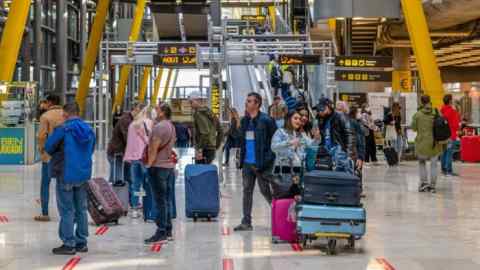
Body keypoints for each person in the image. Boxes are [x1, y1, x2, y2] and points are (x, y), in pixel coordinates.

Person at [44, 102, 95, 255]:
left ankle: (68, 243)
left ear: (65, 114)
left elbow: (48, 147)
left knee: (67, 210)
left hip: (66, 174)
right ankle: (81, 242)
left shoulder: (63, 129)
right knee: (81, 209)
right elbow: (91, 149)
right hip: (83, 174)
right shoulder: (89, 130)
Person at [234, 92, 277, 232]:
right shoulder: (245, 120)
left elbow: (275, 142)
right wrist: (237, 124)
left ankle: (279, 216)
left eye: (249, 101)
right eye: (246, 101)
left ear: (257, 104)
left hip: (261, 163)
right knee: (247, 191)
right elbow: (239, 140)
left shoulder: (266, 120)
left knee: (266, 191)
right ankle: (246, 222)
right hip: (247, 162)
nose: (246, 103)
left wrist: (267, 160)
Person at [145, 102, 177, 243]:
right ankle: (168, 230)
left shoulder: (159, 127)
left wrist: (149, 165)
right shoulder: (171, 126)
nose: (155, 111)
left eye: (157, 109)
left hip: (158, 167)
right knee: (167, 200)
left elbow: (153, 148)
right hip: (169, 167)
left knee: (159, 202)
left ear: (162, 112)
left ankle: (161, 232)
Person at [271, 111, 319, 199]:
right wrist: (289, 143)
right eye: (295, 118)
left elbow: (313, 146)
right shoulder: (280, 132)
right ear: (289, 119)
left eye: (299, 119)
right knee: (283, 200)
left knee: (294, 203)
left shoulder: (301, 135)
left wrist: (316, 138)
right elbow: (274, 147)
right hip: (283, 173)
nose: (298, 121)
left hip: (298, 174)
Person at [35, 94, 64, 222]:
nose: (43, 104)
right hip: (64, 155)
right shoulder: (65, 114)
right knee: (62, 183)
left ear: (50, 103)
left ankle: (45, 213)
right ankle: (64, 212)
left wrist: (42, 151)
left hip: (49, 155)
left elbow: (41, 136)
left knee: (45, 184)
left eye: (45, 102)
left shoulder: (45, 116)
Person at [123, 107, 153, 218]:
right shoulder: (148, 123)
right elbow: (149, 141)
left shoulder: (132, 125)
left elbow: (129, 143)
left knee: (135, 184)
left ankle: (135, 207)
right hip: (144, 158)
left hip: (133, 158)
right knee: (146, 184)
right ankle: (146, 207)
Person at [107, 102, 145, 187]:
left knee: (127, 179)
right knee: (117, 180)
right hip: (116, 153)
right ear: (136, 110)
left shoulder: (133, 121)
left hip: (124, 154)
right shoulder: (126, 120)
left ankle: (127, 198)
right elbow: (129, 139)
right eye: (142, 114)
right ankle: (115, 198)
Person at [411, 95, 443, 193]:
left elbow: (414, 128)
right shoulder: (436, 112)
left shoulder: (417, 114)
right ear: (429, 101)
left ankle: (424, 183)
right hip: (435, 143)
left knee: (422, 163)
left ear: (421, 102)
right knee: (434, 165)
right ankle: (432, 186)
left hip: (422, 143)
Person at [315, 97, 356, 175]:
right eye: (318, 109)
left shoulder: (340, 116)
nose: (319, 111)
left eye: (322, 108)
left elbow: (350, 134)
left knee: (345, 178)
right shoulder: (321, 120)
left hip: (340, 154)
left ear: (329, 106)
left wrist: (349, 154)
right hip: (328, 155)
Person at [189, 91, 223, 164]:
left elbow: (205, 133)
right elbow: (220, 130)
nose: (190, 105)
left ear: (197, 101)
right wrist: (216, 145)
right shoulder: (210, 112)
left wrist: (200, 149)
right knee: (207, 173)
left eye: (191, 102)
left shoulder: (198, 114)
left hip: (204, 149)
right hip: (211, 149)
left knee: (200, 173)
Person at [440, 94, 461, 177]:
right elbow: (456, 124)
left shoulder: (441, 110)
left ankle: (443, 170)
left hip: (442, 136)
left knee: (443, 152)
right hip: (451, 135)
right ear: (449, 101)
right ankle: (449, 170)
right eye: (452, 99)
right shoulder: (452, 111)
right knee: (449, 153)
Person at [348, 106, 366, 172]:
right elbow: (360, 141)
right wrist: (361, 157)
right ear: (355, 113)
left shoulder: (348, 121)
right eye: (358, 112)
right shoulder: (356, 123)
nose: (360, 114)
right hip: (355, 154)